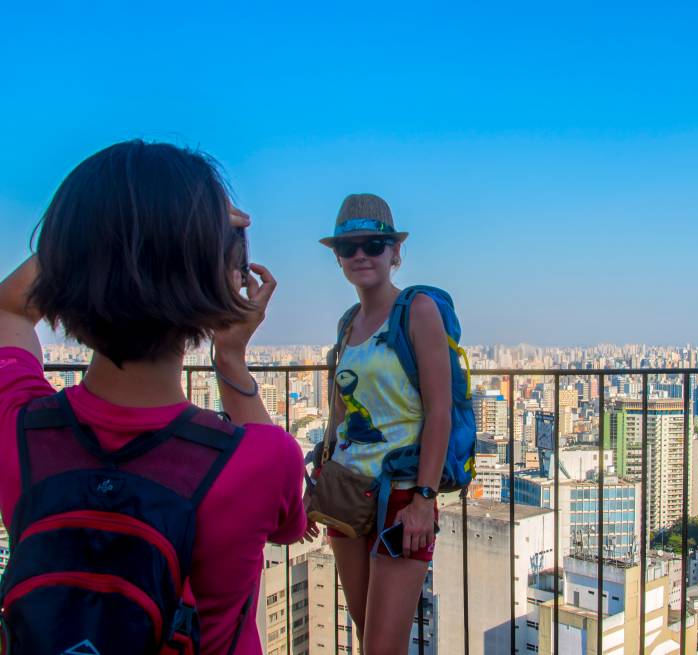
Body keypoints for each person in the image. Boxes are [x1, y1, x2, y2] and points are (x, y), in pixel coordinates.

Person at [0, 140, 306, 653]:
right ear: (215, 291)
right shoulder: (261, 459)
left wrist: (107, 224)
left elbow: (9, 309)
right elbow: (289, 527)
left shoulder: (19, 433)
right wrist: (230, 355)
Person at [308, 194, 452, 655]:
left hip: (402, 493)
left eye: (373, 244)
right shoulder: (347, 323)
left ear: (395, 252)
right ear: (338, 258)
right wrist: (320, 478)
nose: (360, 255)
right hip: (348, 489)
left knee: (383, 646)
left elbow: (440, 412)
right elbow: (339, 413)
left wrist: (425, 500)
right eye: (348, 248)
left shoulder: (418, 311)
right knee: (367, 631)